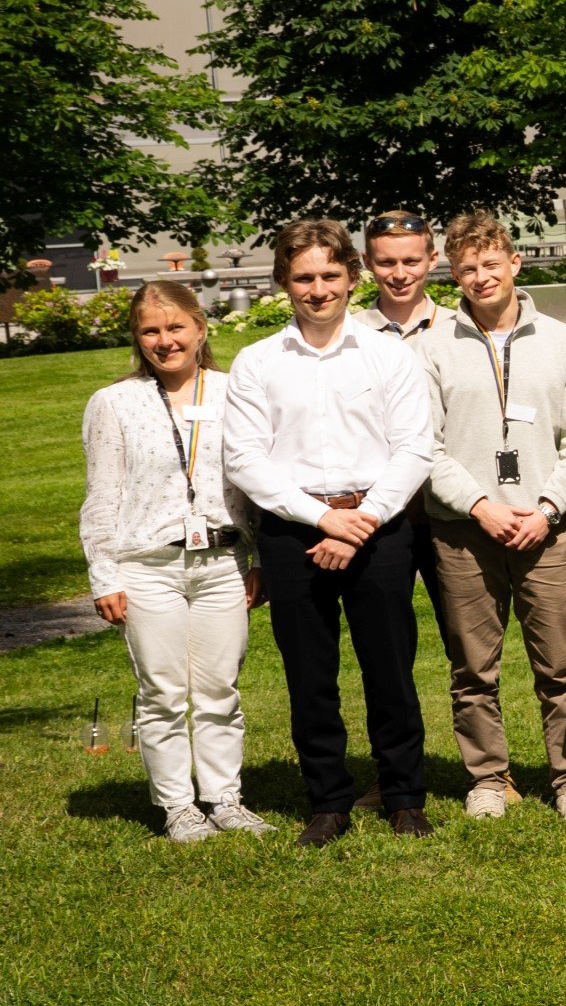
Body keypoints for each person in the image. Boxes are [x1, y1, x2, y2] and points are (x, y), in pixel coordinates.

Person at [224, 218, 438, 845]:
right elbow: (244, 459)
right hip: (294, 532)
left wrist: (361, 520)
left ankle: (403, 795)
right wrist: (322, 519)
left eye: (329, 276)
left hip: (380, 527)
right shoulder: (258, 361)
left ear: (352, 277)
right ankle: (328, 801)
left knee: (390, 668)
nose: (318, 289)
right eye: (304, 278)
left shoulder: (387, 354)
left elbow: (414, 449)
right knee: (309, 675)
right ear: (284, 283)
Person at [409, 213, 566, 822]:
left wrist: (546, 509)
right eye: (467, 268)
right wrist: (481, 505)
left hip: (547, 530)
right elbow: (424, 445)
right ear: (452, 272)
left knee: (559, 665)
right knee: (472, 668)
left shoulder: (563, 343)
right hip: (465, 532)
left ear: (515, 264)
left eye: (492, 264)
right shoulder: (431, 348)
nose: (481, 277)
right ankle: (488, 778)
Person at [83, 282, 267, 841]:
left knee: (219, 688)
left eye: (175, 327)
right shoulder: (114, 402)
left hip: (223, 562)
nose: (166, 342)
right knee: (162, 690)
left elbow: (252, 484)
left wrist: (257, 555)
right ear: (138, 339)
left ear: (200, 326)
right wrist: (104, 573)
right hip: (148, 566)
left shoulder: (237, 391)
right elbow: (102, 494)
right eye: (151, 331)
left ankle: (224, 798)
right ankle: (178, 807)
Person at [357, 211, 445, 342]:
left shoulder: (460, 330)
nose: (400, 275)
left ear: (432, 260)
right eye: (387, 262)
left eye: (411, 262)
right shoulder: (349, 334)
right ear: (368, 263)